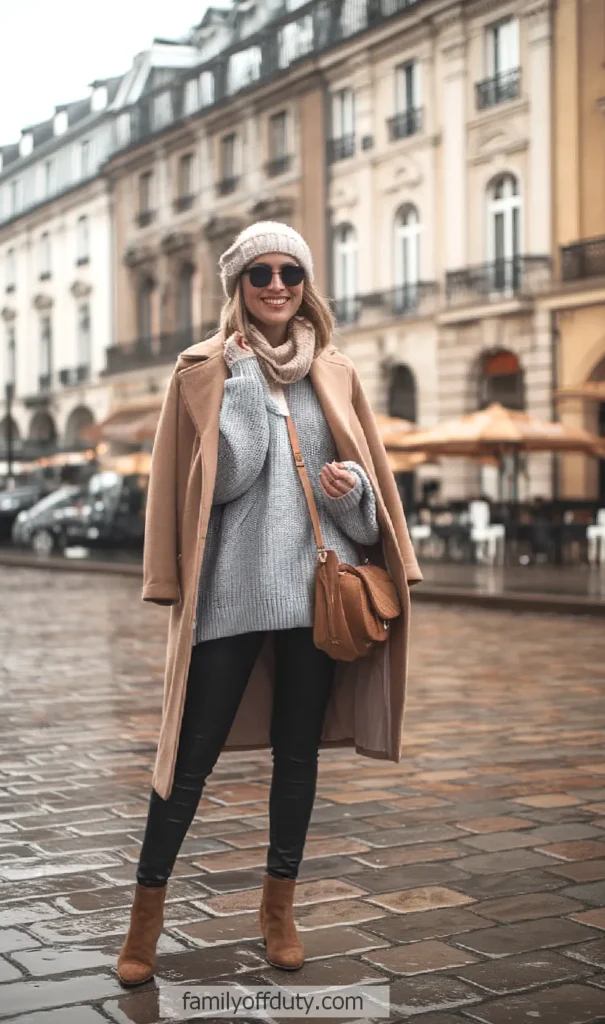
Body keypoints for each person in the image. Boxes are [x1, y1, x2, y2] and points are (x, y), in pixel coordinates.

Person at [116, 221, 422, 986]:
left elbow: (365, 516)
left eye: (290, 269)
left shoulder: (337, 372)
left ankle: (277, 910)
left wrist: (352, 497)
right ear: (238, 288)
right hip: (231, 599)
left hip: (319, 598)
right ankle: (144, 917)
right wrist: (247, 386)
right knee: (186, 761)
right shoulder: (203, 371)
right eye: (260, 273)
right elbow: (224, 483)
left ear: (306, 281)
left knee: (297, 761)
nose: (277, 284)